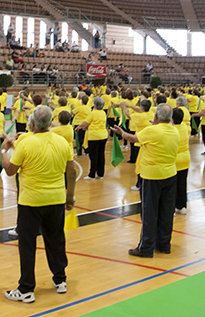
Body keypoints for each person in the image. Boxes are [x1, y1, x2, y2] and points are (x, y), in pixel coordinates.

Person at [1, 105, 76, 303]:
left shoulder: (26, 144)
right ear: (50, 122)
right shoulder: (63, 142)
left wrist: (3, 150)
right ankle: (60, 280)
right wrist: (70, 196)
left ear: (32, 123)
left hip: (31, 202)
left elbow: (10, 171)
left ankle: (26, 288)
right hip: (56, 199)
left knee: (27, 244)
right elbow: (71, 171)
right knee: (56, 240)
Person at [110, 103, 179, 257]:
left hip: (152, 176)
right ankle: (164, 244)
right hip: (170, 175)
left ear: (156, 117)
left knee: (149, 212)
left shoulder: (151, 131)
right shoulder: (174, 131)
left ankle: (146, 247)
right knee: (166, 212)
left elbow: (133, 138)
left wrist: (122, 133)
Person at [76, 96, 108, 178]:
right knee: (101, 155)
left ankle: (92, 174)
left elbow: (85, 123)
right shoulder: (103, 113)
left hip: (94, 137)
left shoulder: (93, 113)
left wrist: (78, 127)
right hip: (103, 136)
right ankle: (100, 174)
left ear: (95, 104)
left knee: (93, 155)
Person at [171, 107, 191, 215]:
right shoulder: (185, 127)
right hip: (185, 159)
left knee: (172, 186)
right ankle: (182, 206)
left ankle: (172, 207)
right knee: (182, 184)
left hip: (174, 160)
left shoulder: (172, 130)